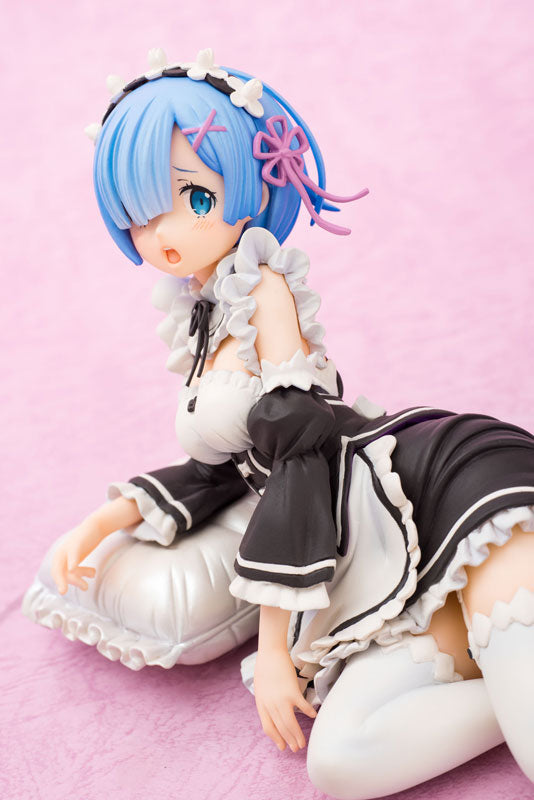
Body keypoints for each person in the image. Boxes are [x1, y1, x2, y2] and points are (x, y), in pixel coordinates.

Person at [24, 48, 534, 799]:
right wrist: (106, 520)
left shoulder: (265, 292)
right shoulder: (202, 314)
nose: (164, 231)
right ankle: (496, 673)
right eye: (141, 210)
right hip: (388, 562)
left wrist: (271, 649)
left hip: (447, 494)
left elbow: (299, 458)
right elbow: (229, 467)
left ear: (250, 183)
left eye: (194, 198)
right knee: (342, 763)